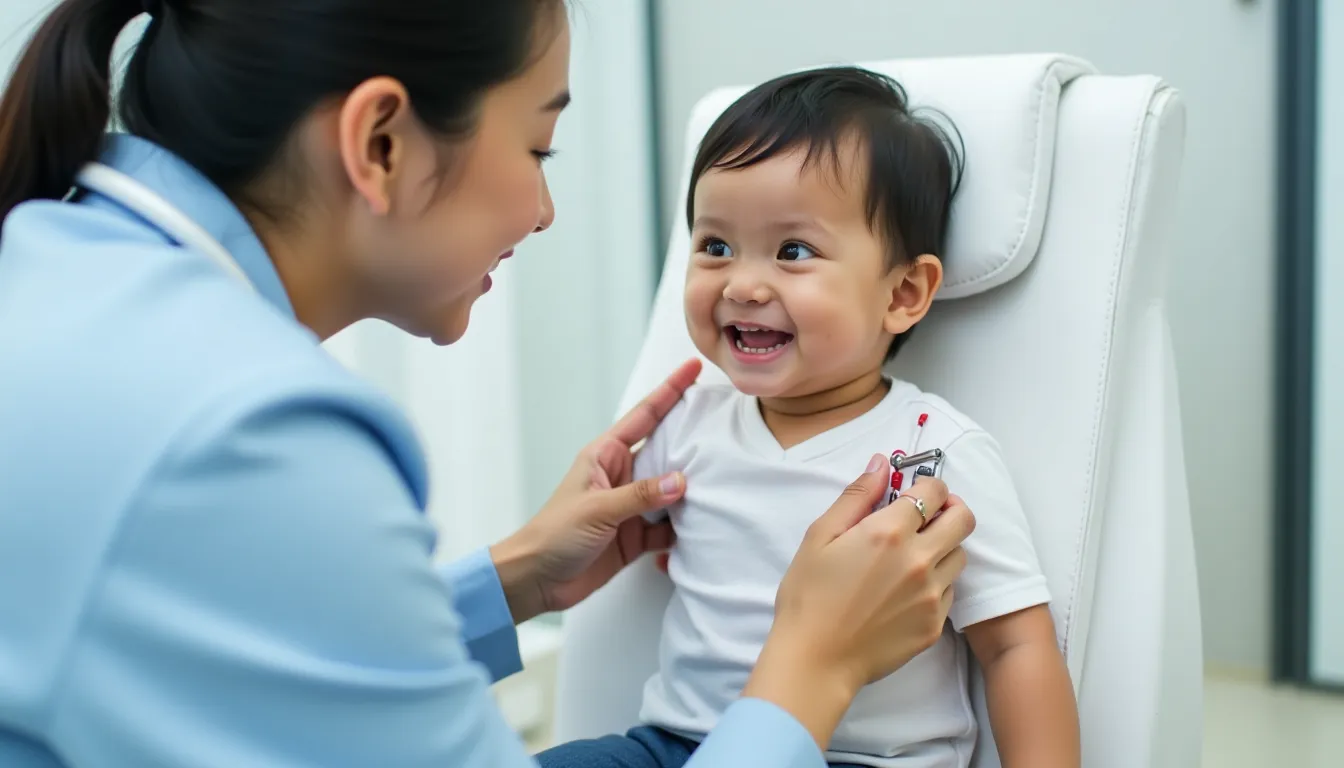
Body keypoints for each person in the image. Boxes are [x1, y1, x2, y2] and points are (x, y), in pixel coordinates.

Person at [0, 2, 976, 767]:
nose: (545, 210)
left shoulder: (59, 274)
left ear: (906, 292)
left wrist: (509, 580)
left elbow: (207, 656)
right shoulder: (251, 427)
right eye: (538, 147)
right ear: (381, 142)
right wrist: (813, 670)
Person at [537, 68, 1080, 768]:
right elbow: (631, 536)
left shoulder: (935, 452)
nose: (742, 283)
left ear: (904, 292)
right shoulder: (687, 425)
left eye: (793, 251)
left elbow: (1013, 644)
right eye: (715, 246)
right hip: (673, 744)